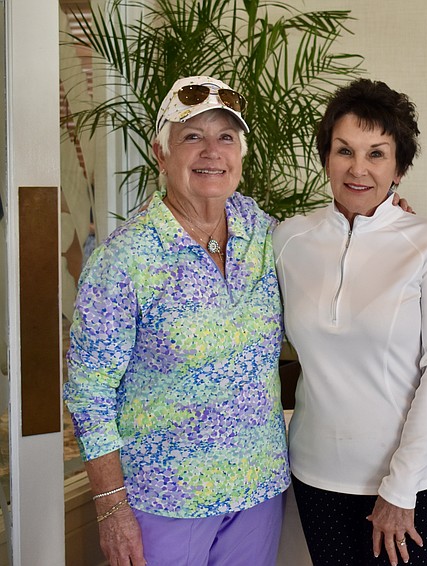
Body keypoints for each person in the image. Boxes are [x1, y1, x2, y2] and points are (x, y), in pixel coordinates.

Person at [64, 75, 289, 565]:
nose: (212, 151)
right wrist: (110, 508)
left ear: (241, 155)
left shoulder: (263, 231)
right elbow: (89, 390)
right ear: (161, 153)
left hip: (258, 488)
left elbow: (335, 250)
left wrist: (383, 217)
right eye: (192, 136)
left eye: (226, 137)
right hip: (164, 501)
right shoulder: (125, 257)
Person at [273, 78, 427, 566]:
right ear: (326, 158)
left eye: (377, 154)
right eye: (345, 151)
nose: (358, 169)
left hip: (416, 483)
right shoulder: (287, 240)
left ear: (399, 167)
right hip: (319, 478)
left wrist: (400, 487)